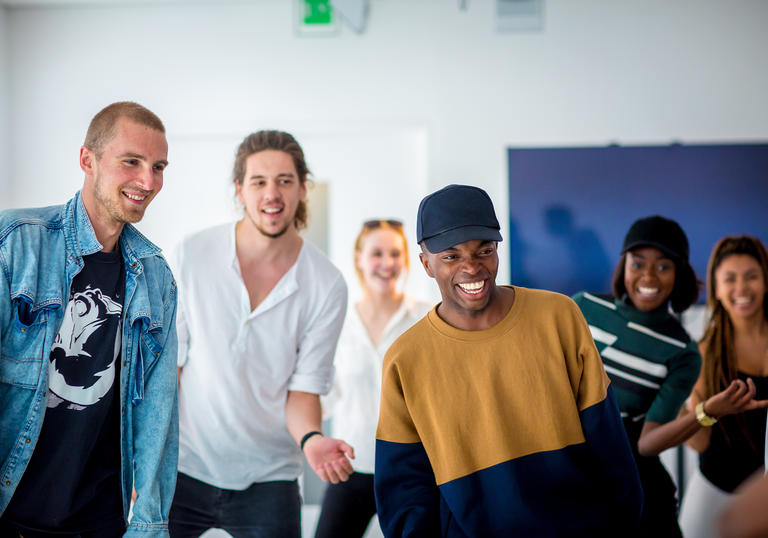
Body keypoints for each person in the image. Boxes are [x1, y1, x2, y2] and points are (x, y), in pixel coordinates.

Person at [374, 184, 643, 538]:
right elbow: (404, 488)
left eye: (484, 250)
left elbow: (609, 443)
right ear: (426, 263)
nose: (472, 267)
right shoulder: (405, 358)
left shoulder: (558, 316)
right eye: (451, 256)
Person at [0, 102, 178, 537]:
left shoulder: (156, 277)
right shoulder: (17, 245)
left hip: (98, 520)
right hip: (12, 510)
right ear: (87, 160)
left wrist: (149, 522)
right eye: (131, 162)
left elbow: (158, 412)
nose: (148, 181)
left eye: (158, 167)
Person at [170, 130, 353, 537]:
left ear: (303, 188)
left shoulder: (327, 284)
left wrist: (312, 441)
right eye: (259, 181)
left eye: (285, 181)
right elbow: (171, 371)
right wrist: (144, 459)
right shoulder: (192, 255)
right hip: (184, 467)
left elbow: (303, 391)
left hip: (270, 477)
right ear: (240, 189)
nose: (273, 193)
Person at [573, 217, 766, 537]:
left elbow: (647, 444)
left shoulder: (683, 352)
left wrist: (706, 412)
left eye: (663, 267)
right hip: (576, 477)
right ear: (624, 267)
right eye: (638, 264)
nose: (649, 276)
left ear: (679, 276)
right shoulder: (582, 308)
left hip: (636, 486)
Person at [315, 219, 431, 538]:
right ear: (359, 258)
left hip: (413, 469)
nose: (386, 263)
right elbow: (325, 399)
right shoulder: (338, 321)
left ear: (406, 259)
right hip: (352, 467)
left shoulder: (428, 318)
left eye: (395, 254)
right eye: (377, 253)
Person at [679, 235, 768, 538]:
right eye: (729, 279)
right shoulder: (704, 353)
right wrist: (693, 410)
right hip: (715, 495)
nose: (741, 288)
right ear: (717, 289)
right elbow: (699, 443)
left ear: (765, 282)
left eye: (751, 277)